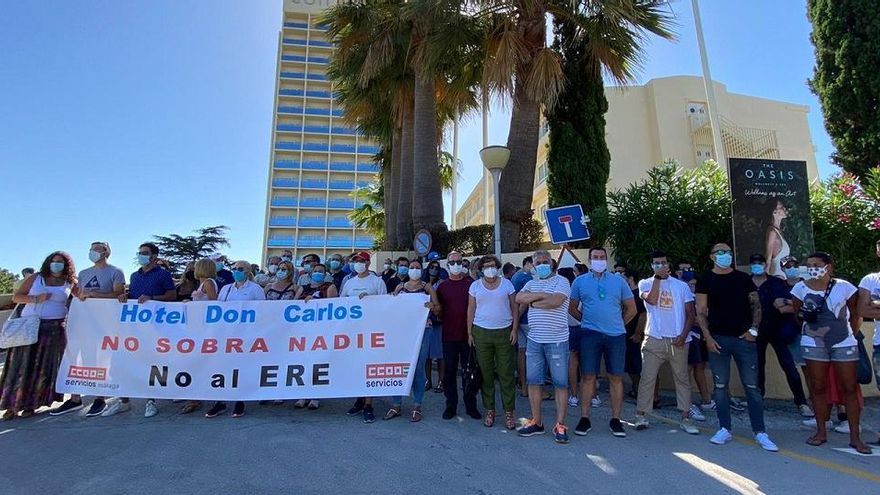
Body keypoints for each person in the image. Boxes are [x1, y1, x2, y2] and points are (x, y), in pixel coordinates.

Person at [695, 243, 778, 451]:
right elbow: (701, 311)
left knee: (752, 387)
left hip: (744, 340)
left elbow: (756, 305)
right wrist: (707, 338)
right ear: (712, 256)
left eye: (728, 252)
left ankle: (760, 431)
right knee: (720, 387)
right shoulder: (705, 280)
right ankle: (724, 428)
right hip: (718, 340)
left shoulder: (743, 279)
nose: (725, 255)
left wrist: (754, 331)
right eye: (720, 252)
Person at [791, 252, 870, 453]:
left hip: (843, 341)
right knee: (818, 386)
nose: (812, 268)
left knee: (849, 387)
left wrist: (847, 333)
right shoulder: (799, 288)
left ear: (828, 267)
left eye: (816, 264)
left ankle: (855, 436)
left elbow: (855, 314)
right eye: (809, 265)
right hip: (813, 342)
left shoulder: (844, 287)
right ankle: (821, 431)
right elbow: (798, 316)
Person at [49, 242, 125, 417]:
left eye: (97, 249)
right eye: (91, 249)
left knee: (101, 359)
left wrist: (97, 296)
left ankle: (100, 398)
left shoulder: (116, 272)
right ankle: (75, 398)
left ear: (106, 252)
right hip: (83, 323)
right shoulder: (83, 274)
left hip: (105, 323)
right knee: (80, 358)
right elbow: (79, 295)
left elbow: (118, 296)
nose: (92, 252)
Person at [569, 247, 637, 438]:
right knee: (588, 376)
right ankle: (584, 418)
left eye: (602, 257)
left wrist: (618, 323)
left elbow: (631, 308)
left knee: (616, 377)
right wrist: (586, 321)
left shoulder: (618, 281)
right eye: (595, 257)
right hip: (590, 334)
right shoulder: (579, 281)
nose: (599, 260)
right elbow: (572, 307)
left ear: (606, 260)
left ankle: (616, 420)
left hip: (615, 336)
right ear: (589, 260)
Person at [1, 252, 77, 420]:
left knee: (43, 368)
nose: (56, 264)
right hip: (30, 327)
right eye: (54, 261)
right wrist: (36, 299)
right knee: (21, 366)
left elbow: (82, 296)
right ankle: (12, 406)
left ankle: (32, 405)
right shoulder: (36, 278)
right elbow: (16, 296)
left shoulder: (69, 282)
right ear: (48, 263)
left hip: (54, 329)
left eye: (61, 262)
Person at [104, 243, 177, 418]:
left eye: (145, 253)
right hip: (134, 326)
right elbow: (134, 297)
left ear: (154, 256)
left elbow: (172, 296)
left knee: (152, 363)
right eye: (140, 253)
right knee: (127, 360)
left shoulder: (163, 274)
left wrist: (152, 298)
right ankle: (124, 401)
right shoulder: (134, 275)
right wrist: (125, 297)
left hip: (156, 327)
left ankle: (151, 400)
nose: (141, 256)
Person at [632, 252, 700, 435]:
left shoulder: (681, 286)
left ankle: (686, 417)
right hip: (654, 338)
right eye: (656, 264)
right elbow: (652, 299)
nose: (660, 266)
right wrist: (657, 279)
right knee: (647, 377)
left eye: (663, 263)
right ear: (651, 266)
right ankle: (641, 415)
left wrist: (683, 335)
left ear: (668, 264)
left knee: (682, 378)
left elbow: (690, 314)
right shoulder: (645, 283)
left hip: (678, 339)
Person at [515, 250, 572, 443]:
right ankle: (537, 422)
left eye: (544, 261)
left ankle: (560, 424)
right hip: (534, 340)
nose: (541, 264)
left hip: (557, 340)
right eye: (537, 262)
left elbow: (556, 301)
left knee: (560, 383)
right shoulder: (530, 283)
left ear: (552, 263)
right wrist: (541, 296)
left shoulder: (562, 281)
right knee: (534, 381)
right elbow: (519, 299)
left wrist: (534, 302)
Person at [749, 253, 812, 417]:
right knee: (757, 366)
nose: (757, 265)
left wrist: (785, 303)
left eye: (760, 262)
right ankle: (758, 399)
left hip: (779, 330)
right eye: (754, 263)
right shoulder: (745, 282)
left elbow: (781, 304)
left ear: (765, 264)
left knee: (789, 366)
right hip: (756, 330)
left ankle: (801, 402)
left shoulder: (775, 282)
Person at [204, 261, 265, 419]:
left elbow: (263, 311)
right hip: (226, 335)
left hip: (245, 335)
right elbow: (218, 308)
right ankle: (221, 401)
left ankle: (240, 400)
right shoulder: (226, 289)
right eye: (235, 269)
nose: (236, 271)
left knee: (240, 368)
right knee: (223, 367)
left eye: (240, 269)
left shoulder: (255, 289)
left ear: (247, 272)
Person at [384, 260, 440, 422]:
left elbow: (438, 308)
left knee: (418, 368)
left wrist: (432, 306)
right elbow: (393, 308)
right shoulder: (401, 287)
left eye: (417, 268)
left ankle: (417, 405)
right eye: (411, 267)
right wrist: (393, 298)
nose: (414, 270)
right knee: (399, 367)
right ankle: (396, 404)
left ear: (421, 270)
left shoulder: (427, 287)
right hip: (403, 333)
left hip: (423, 331)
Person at [467, 254, 518, 430]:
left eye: (493, 265)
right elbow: (471, 309)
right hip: (481, 332)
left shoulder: (507, 284)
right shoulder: (475, 286)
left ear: (497, 267)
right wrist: (469, 333)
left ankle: (509, 412)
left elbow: (514, 307)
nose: (490, 268)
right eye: (486, 266)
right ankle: (490, 410)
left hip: (504, 332)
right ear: (481, 269)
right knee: (486, 375)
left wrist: (514, 329)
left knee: (506, 374)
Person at [341, 251, 387, 423]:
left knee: (370, 368)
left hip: (371, 331)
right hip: (352, 333)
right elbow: (341, 305)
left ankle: (369, 404)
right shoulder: (349, 283)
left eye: (361, 261)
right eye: (356, 261)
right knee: (356, 367)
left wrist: (371, 300)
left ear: (368, 263)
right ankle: (359, 400)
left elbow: (385, 305)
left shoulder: (377, 281)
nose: (358, 263)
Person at [436, 252, 480, 420]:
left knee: (470, 372)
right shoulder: (442, 287)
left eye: (458, 262)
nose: (455, 264)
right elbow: (437, 310)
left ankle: (471, 404)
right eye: (452, 262)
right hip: (449, 336)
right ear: (447, 265)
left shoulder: (473, 284)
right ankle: (451, 405)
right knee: (449, 372)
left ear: (463, 264)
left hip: (469, 336)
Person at [290, 262, 338, 410]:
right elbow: (292, 305)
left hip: (322, 331)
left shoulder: (330, 287)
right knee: (303, 362)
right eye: (315, 271)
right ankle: (302, 393)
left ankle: (316, 395)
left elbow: (334, 306)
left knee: (319, 362)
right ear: (311, 274)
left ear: (325, 274)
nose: (318, 273)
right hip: (303, 331)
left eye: (321, 271)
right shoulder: (303, 288)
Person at [178, 258, 219, 415]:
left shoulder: (208, 283)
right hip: (198, 326)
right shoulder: (203, 284)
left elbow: (214, 303)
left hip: (205, 328)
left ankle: (197, 397)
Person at [857, 240, 880, 438]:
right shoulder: (870, 280)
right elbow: (863, 309)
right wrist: (870, 305)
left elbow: (870, 307)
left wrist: (876, 303)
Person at [685, 278, 714, 419]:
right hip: (689, 336)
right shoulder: (683, 293)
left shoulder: (700, 296)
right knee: (687, 369)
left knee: (700, 366)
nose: (693, 286)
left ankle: (706, 400)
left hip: (701, 335)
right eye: (691, 283)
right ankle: (687, 404)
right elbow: (692, 317)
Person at [622, 268, 647, 402]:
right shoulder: (627, 294)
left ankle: (643, 394)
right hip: (625, 335)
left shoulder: (637, 294)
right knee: (630, 367)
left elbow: (643, 315)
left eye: (623, 276)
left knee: (638, 366)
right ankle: (636, 389)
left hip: (634, 336)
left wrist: (638, 333)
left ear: (631, 278)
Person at [511, 256, 534, 397]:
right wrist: (517, 318)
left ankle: (523, 385)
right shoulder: (526, 278)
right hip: (526, 320)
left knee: (521, 352)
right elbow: (524, 302)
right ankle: (533, 388)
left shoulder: (516, 276)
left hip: (519, 321)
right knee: (534, 355)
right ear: (528, 264)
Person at [424, 261, 445, 393]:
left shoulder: (442, 284)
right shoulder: (422, 284)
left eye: (436, 268)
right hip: (424, 323)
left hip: (438, 322)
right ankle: (428, 380)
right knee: (427, 355)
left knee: (440, 354)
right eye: (431, 267)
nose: (433, 270)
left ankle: (441, 381)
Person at [764, 200, 790, 279]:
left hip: (782, 277)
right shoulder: (772, 232)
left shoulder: (778, 232)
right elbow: (768, 259)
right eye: (781, 207)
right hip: (777, 278)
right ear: (774, 212)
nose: (784, 208)